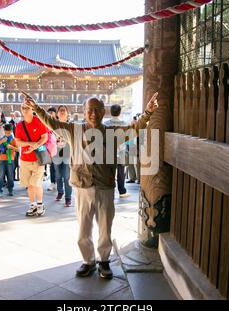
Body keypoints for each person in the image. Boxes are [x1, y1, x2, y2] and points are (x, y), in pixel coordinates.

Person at [22, 92, 158, 279]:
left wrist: (148, 113)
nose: (93, 113)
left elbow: (134, 128)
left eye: (96, 110)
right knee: (83, 228)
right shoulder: (73, 130)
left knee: (105, 227)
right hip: (82, 187)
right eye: (89, 110)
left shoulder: (112, 133)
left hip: (105, 187)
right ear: (84, 112)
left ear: (103, 112)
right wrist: (36, 108)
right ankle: (88, 261)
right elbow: (51, 123)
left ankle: (104, 261)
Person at [14, 101, 49, 217]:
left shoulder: (39, 121)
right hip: (24, 159)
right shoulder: (19, 125)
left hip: (38, 158)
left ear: (32, 109)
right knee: (29, 185)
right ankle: (32, 204)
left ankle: (40, 204)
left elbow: (45, 137)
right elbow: (17, 142)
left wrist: (36, 145)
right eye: (23, 108)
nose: (25, 110)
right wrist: (30, 144)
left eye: (27, 108)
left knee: (36, 183)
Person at [103, 104, 129, 198]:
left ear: (110, 112)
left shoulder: (105, 124)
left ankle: (109, 190)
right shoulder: (125, 124)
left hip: (109, 151)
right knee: (121, 172)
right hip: (121, 150)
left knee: (110, 172)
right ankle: (122, 191)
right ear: (120, 112)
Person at [52, 105, 72, 207]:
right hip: (56, 153)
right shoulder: (53, 125)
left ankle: (68, 198)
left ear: (67, 113)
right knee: (58, 175)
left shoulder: (70, 125)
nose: (62, 112)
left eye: (64, 110)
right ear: (57, 113)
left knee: (67, 176)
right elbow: (50, 138)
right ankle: (60, 191)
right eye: (61, 110)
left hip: (67, 154)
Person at [0, 123, 18, 198]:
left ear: (11, 131)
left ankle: (10, 189)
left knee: (10, 176)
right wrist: (1, 142)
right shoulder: (2, 138)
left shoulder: (14, 139)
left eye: (9, 132)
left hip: (11, 159)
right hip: (2, 159)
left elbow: (18, 149)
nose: (7, 134)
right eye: (6, 132)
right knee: (1, 176)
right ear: (4, 131)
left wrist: (11, 147)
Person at [46, 107, 57, 191]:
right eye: (49, 113)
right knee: (52, 166)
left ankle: (59, 182)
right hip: (50, 147)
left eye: (52, 113)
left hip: (60, 147)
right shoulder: (45, 123)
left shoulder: (58, 123)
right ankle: (53, 182)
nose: (50, 115)